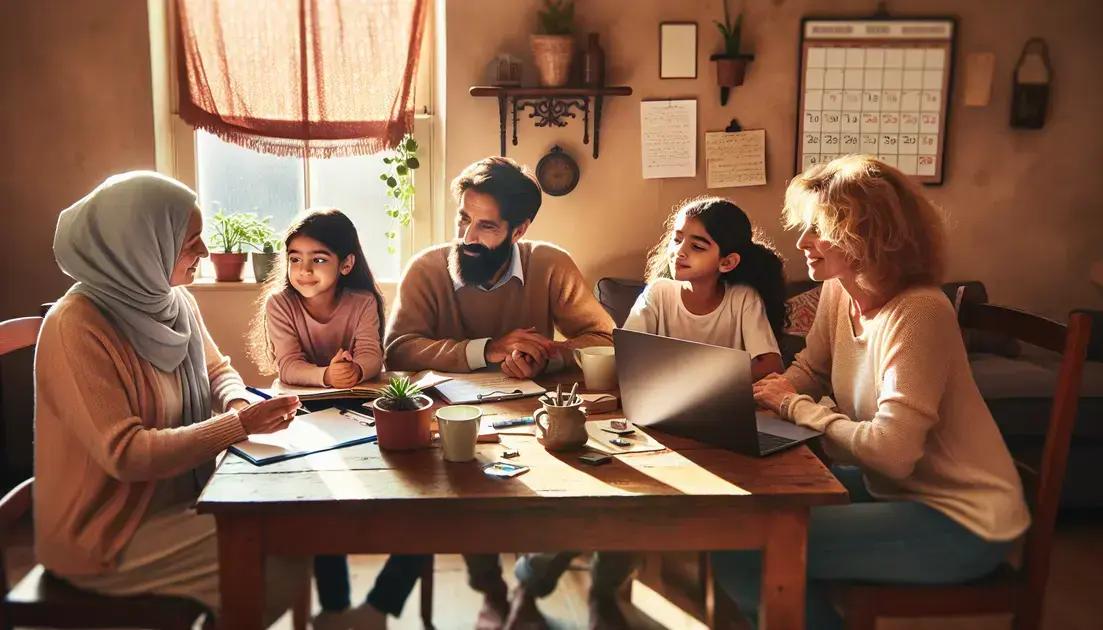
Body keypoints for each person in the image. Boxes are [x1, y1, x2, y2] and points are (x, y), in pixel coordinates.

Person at [712, 155, 1031, 629]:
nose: (803, 243)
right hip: (898, 491)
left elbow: (892, 452)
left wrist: (792, 405)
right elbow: (812, 370)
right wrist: (750, 395)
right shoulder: (841, 291)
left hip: (961, 521)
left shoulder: (921, 312)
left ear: (868, 237)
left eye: (819, 230)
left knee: (746, 548)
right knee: (749, 514)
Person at [35, 171, 307, 625]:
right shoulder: (75, 327)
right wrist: (239, 426)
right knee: (279, 555)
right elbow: (126, 454)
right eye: (190, 242)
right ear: (140, 245)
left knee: (288, 538)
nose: (203, 251)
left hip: (175, 504)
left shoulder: (171, 300)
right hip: (104, 536)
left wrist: (240, 405)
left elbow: (217, 369)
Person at [384, 156, 616, 628]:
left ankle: (535, 587)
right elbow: (400, 351)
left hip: (542, 419)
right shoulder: (426, 269)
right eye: (462, 219)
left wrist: (546, 352)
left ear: (519, 229)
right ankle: (492, 591)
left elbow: (606, 341)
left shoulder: (549, 264)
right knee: (466, 485)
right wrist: (487, 349)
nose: (468, 237)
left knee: (603, 487)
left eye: (486, 226)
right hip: (457, 422)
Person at [248, 208, 428, 629]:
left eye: (318, 259)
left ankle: (378, 607)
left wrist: (356, 370)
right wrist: (326, 375)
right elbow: (288, 367)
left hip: (362, 407)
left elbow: (371, 356)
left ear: (346, 263)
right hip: (303, 412)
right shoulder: (280, 304)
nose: (304, 270)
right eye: (295, 258)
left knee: (421, 500)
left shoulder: (363, 301)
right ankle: (334, 608)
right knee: (320, 503)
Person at [624, 196, 786, 380]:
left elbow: (772, 366)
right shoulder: (657, 293)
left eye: (697, 247)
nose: (679, 252)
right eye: (677, 240)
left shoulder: (743, 299)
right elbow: (627, 354)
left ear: (727, 262)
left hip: (726, 405)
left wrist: (702, 380)